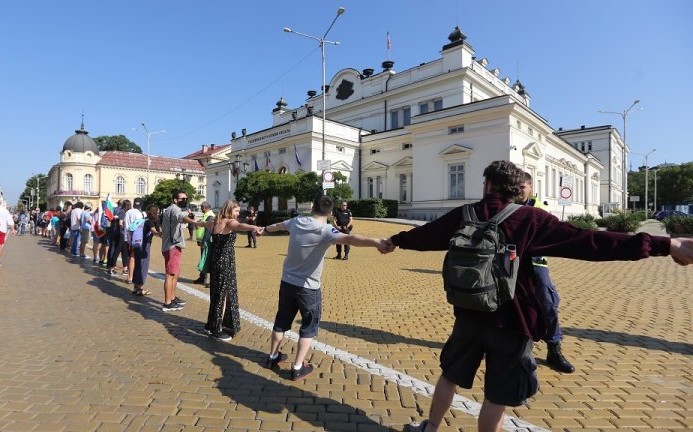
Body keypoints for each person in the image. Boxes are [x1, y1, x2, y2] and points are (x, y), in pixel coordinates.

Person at [379, 161, 693, 432]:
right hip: (513, 320)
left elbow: (426, 235)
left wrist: (395, 241)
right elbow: (591, 242)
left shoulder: (465, 213)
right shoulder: (531, 219)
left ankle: (430, 427)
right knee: (497, 395)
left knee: (450, 375)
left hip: (468, 312)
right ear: (520, 190)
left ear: (488, 184)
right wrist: (664, 245)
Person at [263, 195, 388, 380]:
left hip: (287, 282)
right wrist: (376, 242)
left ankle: (273, 357)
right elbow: (352, 239)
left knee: (281, 321)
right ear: (330, 212)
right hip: (309, 288)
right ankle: (297, 367)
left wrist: (263, 229)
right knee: (308, 327)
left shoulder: (296, 221)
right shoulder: (326, 230)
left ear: (313, 206)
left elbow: (277, 226)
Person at [518, 172, 574, 373]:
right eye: (515, 186)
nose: (518, 191)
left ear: (531, 187)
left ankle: (554, 348)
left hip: (536, 263)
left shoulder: (540, 208)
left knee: (547, 302)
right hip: (510, 264)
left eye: (522, 187)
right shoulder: (506, 207)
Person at [201, 200, 263, 341]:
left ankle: (210, 324)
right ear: (229, 210)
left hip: (216, 261)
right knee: (222, 295)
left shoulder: (215, 221)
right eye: (236, 211)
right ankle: (216, 329)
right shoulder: (228, 222)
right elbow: (240, 226)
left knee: (217, 293)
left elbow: (202, 224)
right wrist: (254, 228)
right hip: (225, 262)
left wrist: (190, 221)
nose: (238, 213)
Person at [160, 190, 196, 312]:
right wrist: (196, 222)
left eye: (186, 198)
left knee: (174, 273)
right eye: (182, 199)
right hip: (172, 246)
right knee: (170, 274)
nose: (184, 200)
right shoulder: (174, 209)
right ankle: (167, 303)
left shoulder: (171, 209)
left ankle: (172, 298)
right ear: (175, 199)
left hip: (172, 245)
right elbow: (182, 217)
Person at [132, 204, 161, 296]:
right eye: (158, 212)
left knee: (137, 265)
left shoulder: (142, 221)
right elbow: (154, 231)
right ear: (154, 212)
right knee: (143, 266)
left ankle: (136, 287)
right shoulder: (149, 222)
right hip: (144, 246)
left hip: (137, 245)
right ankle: (140, 288)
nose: (159, 213)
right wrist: (161, 233)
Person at [193, 202, 215, 285]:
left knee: (206, 259)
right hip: (203, 240)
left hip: (206, 241)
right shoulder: (206, 215)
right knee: (203, 259)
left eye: (201, 208)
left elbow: (208, 231)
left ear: (205, 208)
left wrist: (204, 241)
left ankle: (206, 279)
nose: (201, 209)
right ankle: (202, 277)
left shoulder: (210, 216)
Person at [123, 199, 143, 283]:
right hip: (135, 238)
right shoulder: (139, 213)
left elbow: (124, 223)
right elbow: (139, 226)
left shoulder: (128, 212)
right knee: (133, 256)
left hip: (127, 237)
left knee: (130, 256)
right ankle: (131, 277)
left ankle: (129, 275)